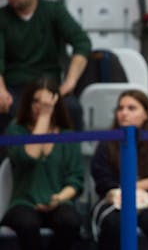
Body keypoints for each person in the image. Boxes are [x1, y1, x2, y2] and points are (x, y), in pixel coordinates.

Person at [0, 0, 91, 133]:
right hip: (14, 88)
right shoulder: (2, 17)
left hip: (49, 85)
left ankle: (72, 159)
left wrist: (70, 81)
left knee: (72, 108)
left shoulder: (53, 10)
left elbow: (81, 42)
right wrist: (1, 91)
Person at [1, 77, 83, 250]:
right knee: (27, 224)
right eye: (37, 101)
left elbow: (76, 179)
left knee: (70, 221)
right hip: (23, 203)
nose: (41, 107)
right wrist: (45, 117)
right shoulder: (16, 130)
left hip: (58, 201)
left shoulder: (68, 136)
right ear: (28, 103)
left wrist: (59, 198)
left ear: (56, 104)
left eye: (47, 103)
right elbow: (29, 156)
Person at [91, 89, 148, 250]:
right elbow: (104, 183)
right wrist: (146, 183)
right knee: (114, 223)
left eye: (131, 108)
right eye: (120, 108)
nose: (124, 113)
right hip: (114, 200)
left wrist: (139, 187)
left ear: (146, 113)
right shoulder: (106, 144)